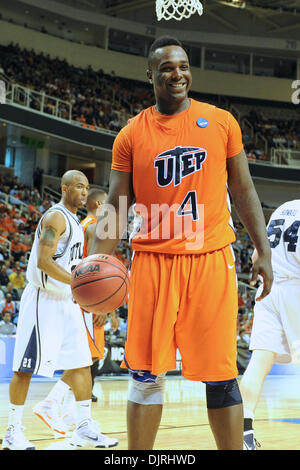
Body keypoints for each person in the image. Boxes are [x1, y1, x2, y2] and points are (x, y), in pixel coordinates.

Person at [90, 35, 273, 450]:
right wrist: (94, 272)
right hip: (152, 261)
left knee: (221, 375)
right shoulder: (131, 135)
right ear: (150, 74)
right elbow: (116, 209)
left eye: (184, 66)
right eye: (168, 67)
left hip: (210, 259)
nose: (178, 74)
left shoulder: (221, 121)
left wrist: (263, 251)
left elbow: (243, 191)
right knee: (145, 375)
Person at [1, 170, 118, 450]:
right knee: (24, 368)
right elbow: (43, 261)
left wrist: (82, 290)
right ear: (64, 188)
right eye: (78, 186)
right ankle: (12, 430)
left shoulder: (75, 222)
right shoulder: (55, 217)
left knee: (81, 364)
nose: (84, 192)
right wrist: (81, 281)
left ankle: (84, 427)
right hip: (43, 300)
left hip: (66, 299)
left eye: (87, 187)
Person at [33, 188, 120, 432]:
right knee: (86, 357)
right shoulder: (95, 227)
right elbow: (97, 269)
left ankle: (72, 414)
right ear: (101, 204)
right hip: (89, 296)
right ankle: (51, 402)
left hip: (79, 294)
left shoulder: (82, 224)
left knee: (88, 357)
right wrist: (104, 305)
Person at [240, 199, 300, 450]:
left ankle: (243, 431)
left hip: (268, 287)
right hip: (295, 287)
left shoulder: (283, 208)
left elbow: (257, 253)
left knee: (259, 361)